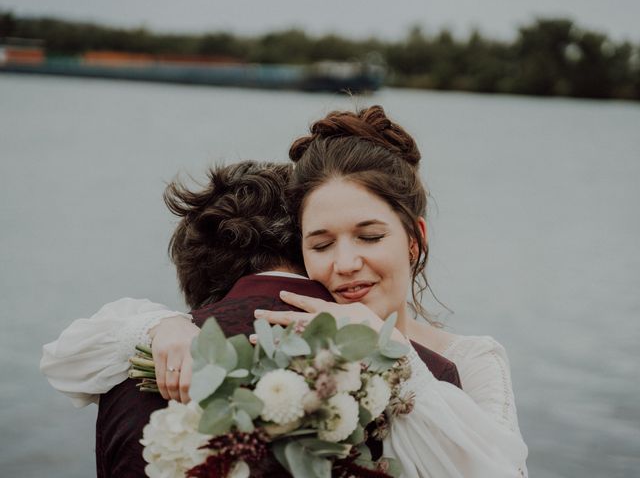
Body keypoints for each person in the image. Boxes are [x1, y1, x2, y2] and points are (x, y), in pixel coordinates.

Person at [43, 105, 528, 477]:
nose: (345, 264)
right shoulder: (283, 336)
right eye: (320, 243)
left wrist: (398, 360)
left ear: (415, 239)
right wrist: (160, 324)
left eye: (370, 236)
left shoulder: (466, 363)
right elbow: (71, 353)